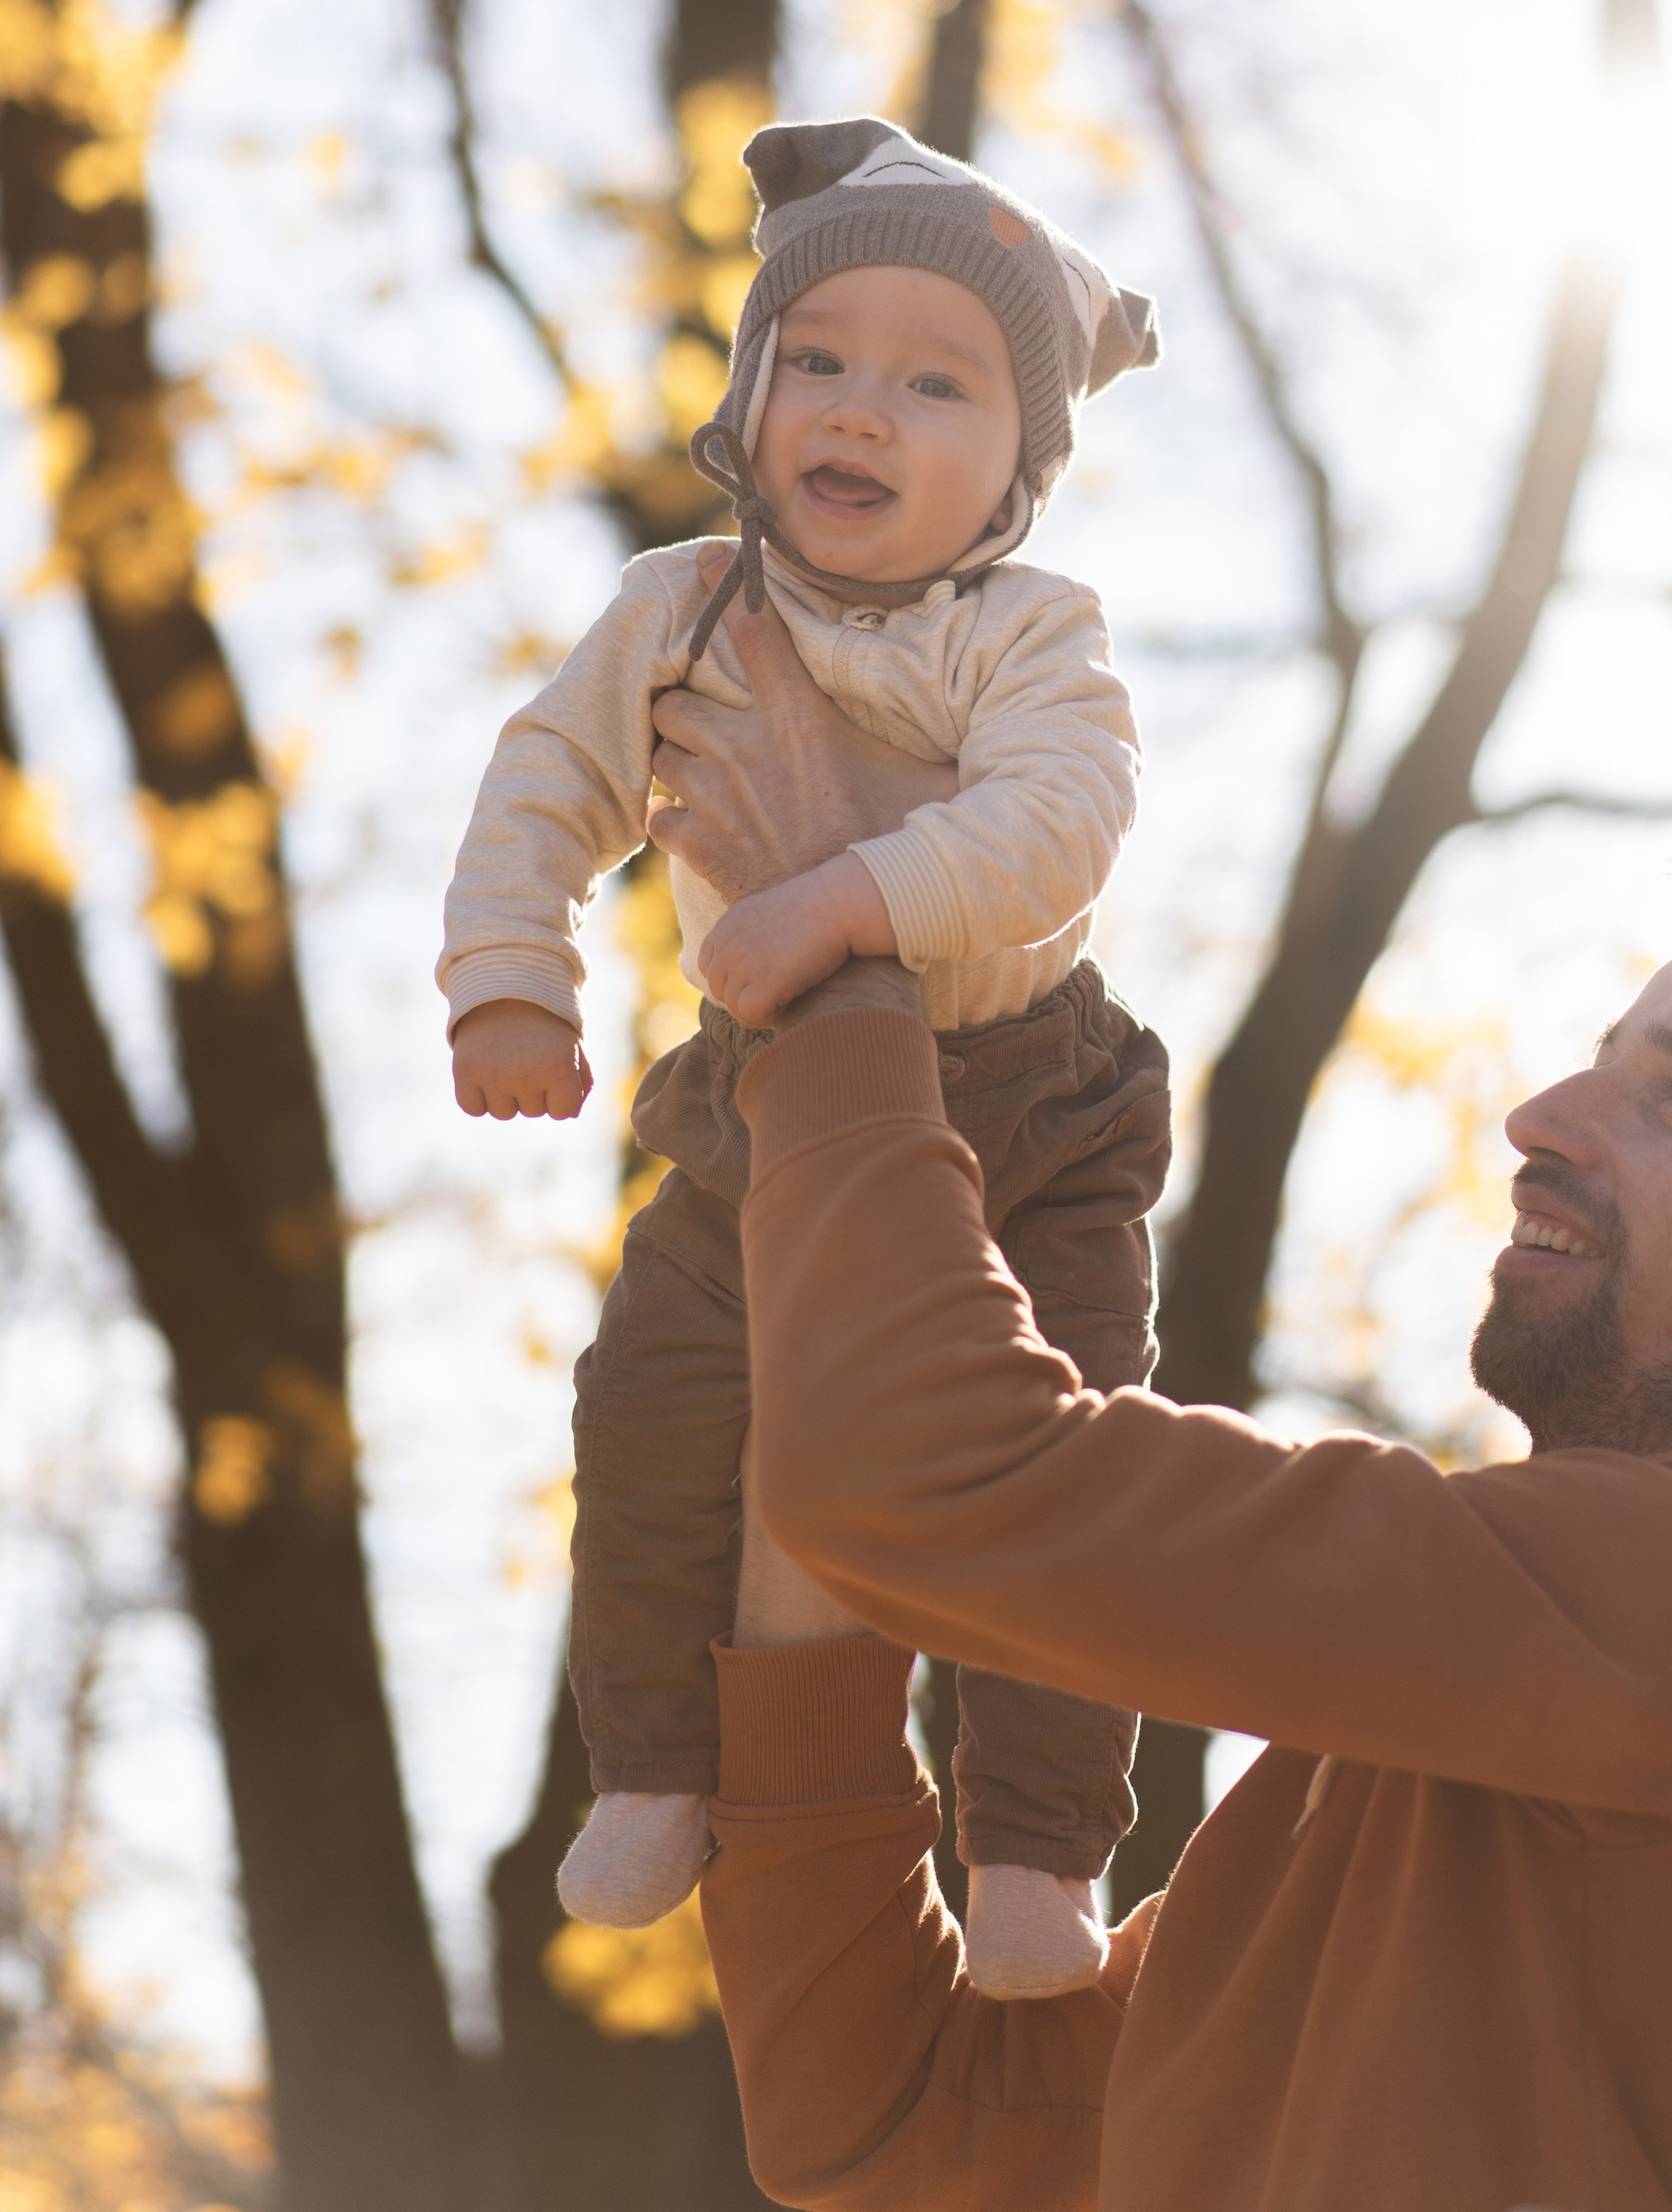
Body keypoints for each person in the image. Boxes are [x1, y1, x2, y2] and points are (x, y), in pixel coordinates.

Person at [643, 591, 1672, 2212]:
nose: (1541, 1112)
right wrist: (815, 1421)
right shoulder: (1433, 1740)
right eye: (1598, 1056)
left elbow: (934, 1475)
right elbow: (912, 2128)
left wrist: (838, 959)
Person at [440, 116, 1167, 1995]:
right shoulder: (676, 609)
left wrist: (840, 896)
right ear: (750, 396)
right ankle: (656, 1769)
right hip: (756, 1108)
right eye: (817, 360)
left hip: (1028, 1106)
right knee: (656, 1412)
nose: (859, 411)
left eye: (938, 385)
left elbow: (1060, 820)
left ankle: (1030, 1849)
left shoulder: (1025, 630)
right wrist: (512, 973)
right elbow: (546, 782)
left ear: (1020, 472)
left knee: (1052, 1472)